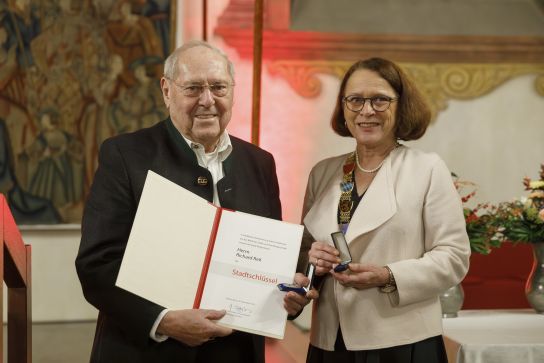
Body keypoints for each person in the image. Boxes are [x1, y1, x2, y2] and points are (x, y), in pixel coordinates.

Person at [76, 40, 306, 363]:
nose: (207, 100)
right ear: (167, 91)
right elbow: (96, 265)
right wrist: (164, 321)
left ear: (233, 91)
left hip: (235, 353)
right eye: (194, 88)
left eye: (218, 87)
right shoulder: (125, 156)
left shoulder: (260, 163)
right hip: (145, 353)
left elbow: (271, 262)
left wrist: (289, 293)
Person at [293, 57, 471, 363]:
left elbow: (454, 257)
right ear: (344, 108)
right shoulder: (322, 173)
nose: (366, 110)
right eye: (355, 100)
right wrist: (312, 267)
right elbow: (305, 255)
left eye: (379, 100)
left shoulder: (427, 169)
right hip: (330, 341)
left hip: (401, 342)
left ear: (401, 106)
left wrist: (388, 275)